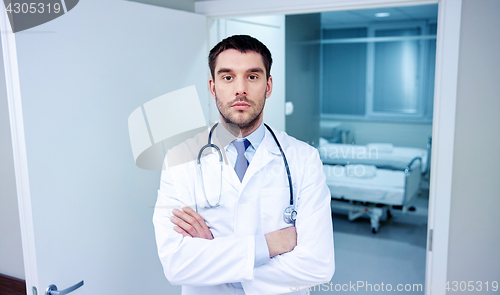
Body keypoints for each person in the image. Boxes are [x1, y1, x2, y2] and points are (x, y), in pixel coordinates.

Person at [153, 35, 334, 295]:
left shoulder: (303, 158)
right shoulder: (179, 159)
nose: (240, 89)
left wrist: (217, 259)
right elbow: (176, 264)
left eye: (252, 76)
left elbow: (319, 265)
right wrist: (270, 245)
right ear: (213, 87)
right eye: (228, 77)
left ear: (268, 86)